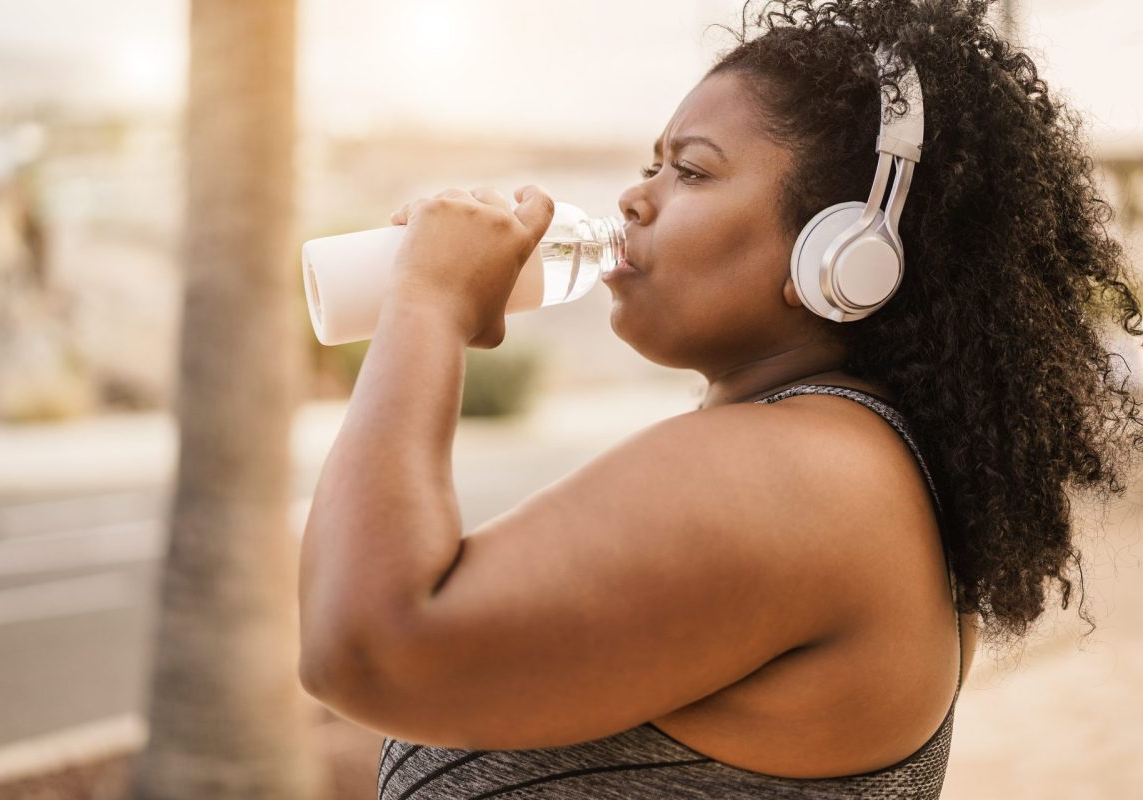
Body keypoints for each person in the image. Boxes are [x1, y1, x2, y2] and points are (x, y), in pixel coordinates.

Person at [297, 1, 1142, 797]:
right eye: (650, 166)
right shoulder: (840, 460)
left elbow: (367, 651)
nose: (637, 198)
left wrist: (426, 306)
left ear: (845, 252)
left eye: (692, 171)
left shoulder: (809, 475)